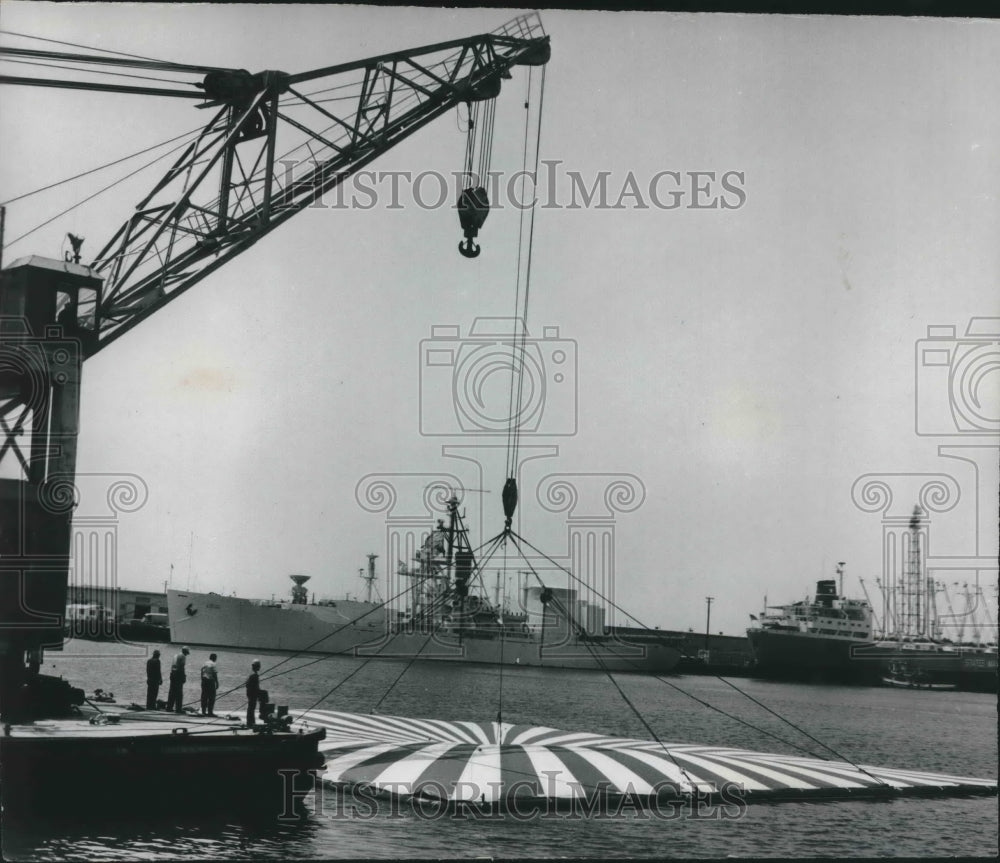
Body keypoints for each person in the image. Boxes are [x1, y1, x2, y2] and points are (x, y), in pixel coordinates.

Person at [165, 646, 189, 713]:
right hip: (178, 675)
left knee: (172, 692)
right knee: (179, 693)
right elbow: (181, 667)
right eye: (187, 653)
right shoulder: (183, 656)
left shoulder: (175, 655)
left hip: (172, 674)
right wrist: (183, 677)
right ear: (185, 651)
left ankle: (169, 707)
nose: (187, 654)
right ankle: (178, 709)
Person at [245, 660, 261, 728]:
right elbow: (256, 686)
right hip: (252, 694)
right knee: (251, 708)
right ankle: (250, 722)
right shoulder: (255, 675)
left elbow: (247, 684)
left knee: (250, 708)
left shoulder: (252, 674)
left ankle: (250, 722)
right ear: (258, 667)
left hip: (250, 693)